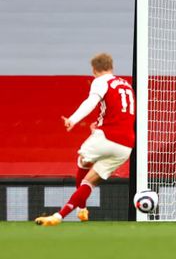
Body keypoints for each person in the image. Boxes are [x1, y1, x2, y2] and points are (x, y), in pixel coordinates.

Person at [36, 53, 135, 226]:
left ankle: (80, 208)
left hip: (107, 137)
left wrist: (73, 120)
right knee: (89, 182)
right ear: (112, 67)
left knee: (82, 161)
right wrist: (99, 123)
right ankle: (65, 215)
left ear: (94, 70)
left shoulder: (101, 81)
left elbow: (91, 102)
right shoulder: (126, 85)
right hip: (126, 146)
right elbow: (121, 112)